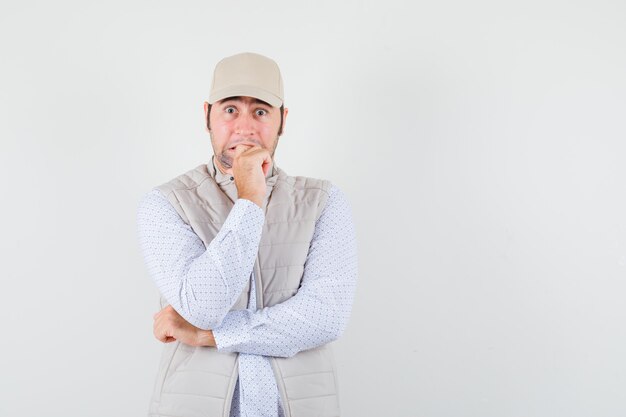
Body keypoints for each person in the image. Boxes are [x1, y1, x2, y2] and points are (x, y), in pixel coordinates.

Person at [136, 52, 358, 417]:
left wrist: (210, 336)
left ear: (282, 121)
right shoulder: (166, 203)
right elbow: (204, 306)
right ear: (206, 115)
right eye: (229, 110)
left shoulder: (323, 201)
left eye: (260, 111)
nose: (245, 126)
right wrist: (251, 197)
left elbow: (326, 316)